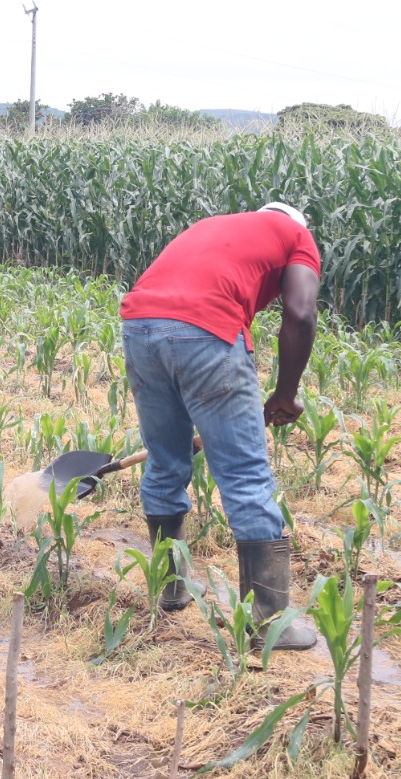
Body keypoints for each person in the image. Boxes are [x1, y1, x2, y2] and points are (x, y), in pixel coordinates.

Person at [118, 202, 320, 651]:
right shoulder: (295, 236)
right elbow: (302, 314)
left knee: (166, 464)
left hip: (138, 328)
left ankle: (172, 587)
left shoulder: (216, 226)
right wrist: (286, 394)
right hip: (205, 330)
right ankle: (269, 623)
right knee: (247, 477)